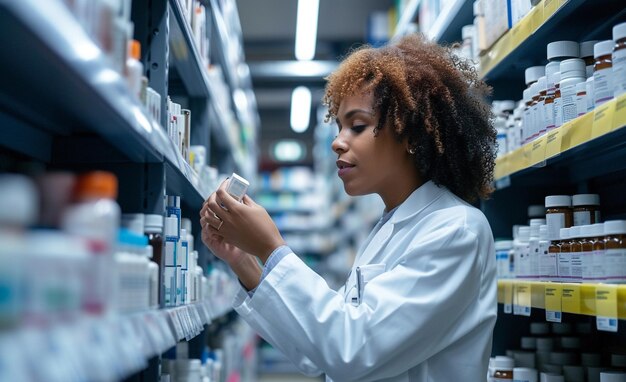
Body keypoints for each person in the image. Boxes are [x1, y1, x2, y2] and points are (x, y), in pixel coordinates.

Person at [200, 33, 497, 382]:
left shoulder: (456, 231)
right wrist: (245, 261)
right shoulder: (388, 227)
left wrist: (271, 248)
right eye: (340, 126)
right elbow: (322, 353)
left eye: (358, 126)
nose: (338, 142)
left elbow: (351, 350)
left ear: (412, 135)